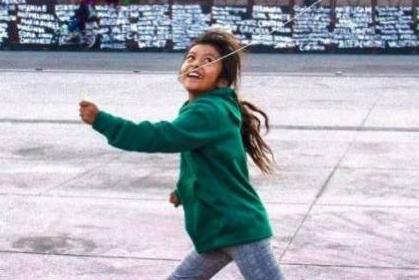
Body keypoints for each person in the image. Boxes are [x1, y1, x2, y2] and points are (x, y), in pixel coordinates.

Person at [78, 29, 284, 280]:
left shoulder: (209, 111)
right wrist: (185, 189)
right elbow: (203, 160)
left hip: (239, 230)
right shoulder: (204, 107)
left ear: (223, 80)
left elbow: (161, 136)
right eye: (190, 57)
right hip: (218, 230)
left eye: (209, 61)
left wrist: (102, 121)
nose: (195, 63)